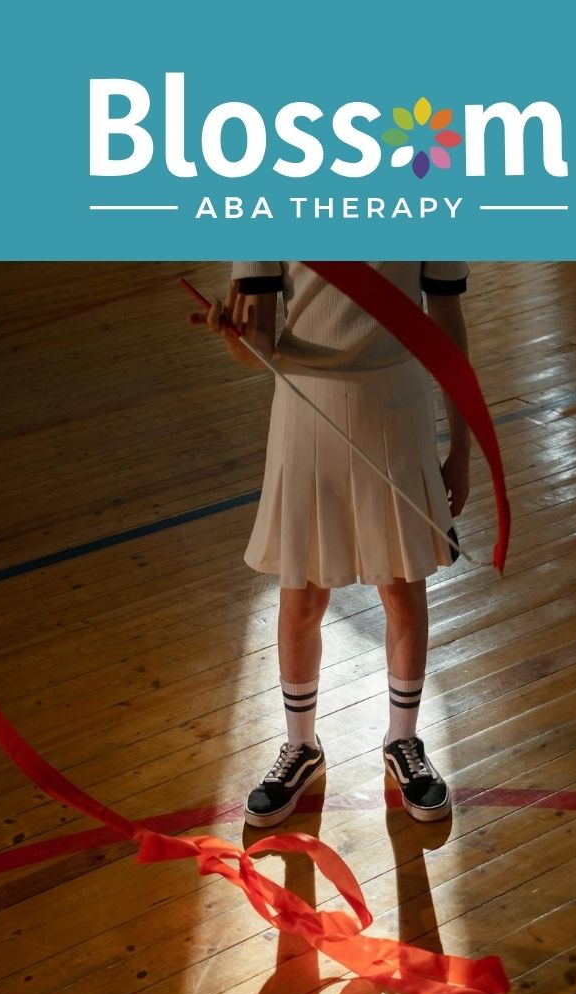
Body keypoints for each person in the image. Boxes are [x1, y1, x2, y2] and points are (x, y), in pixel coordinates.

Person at [200, 262, 473, 827]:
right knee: (301, 597)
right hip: (306, 407)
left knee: (402, 588)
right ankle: (301, 746)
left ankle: (404, 740)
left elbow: (447, 321)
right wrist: (235, 340)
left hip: (396, 404)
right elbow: (258, 347)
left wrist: (462, 446)